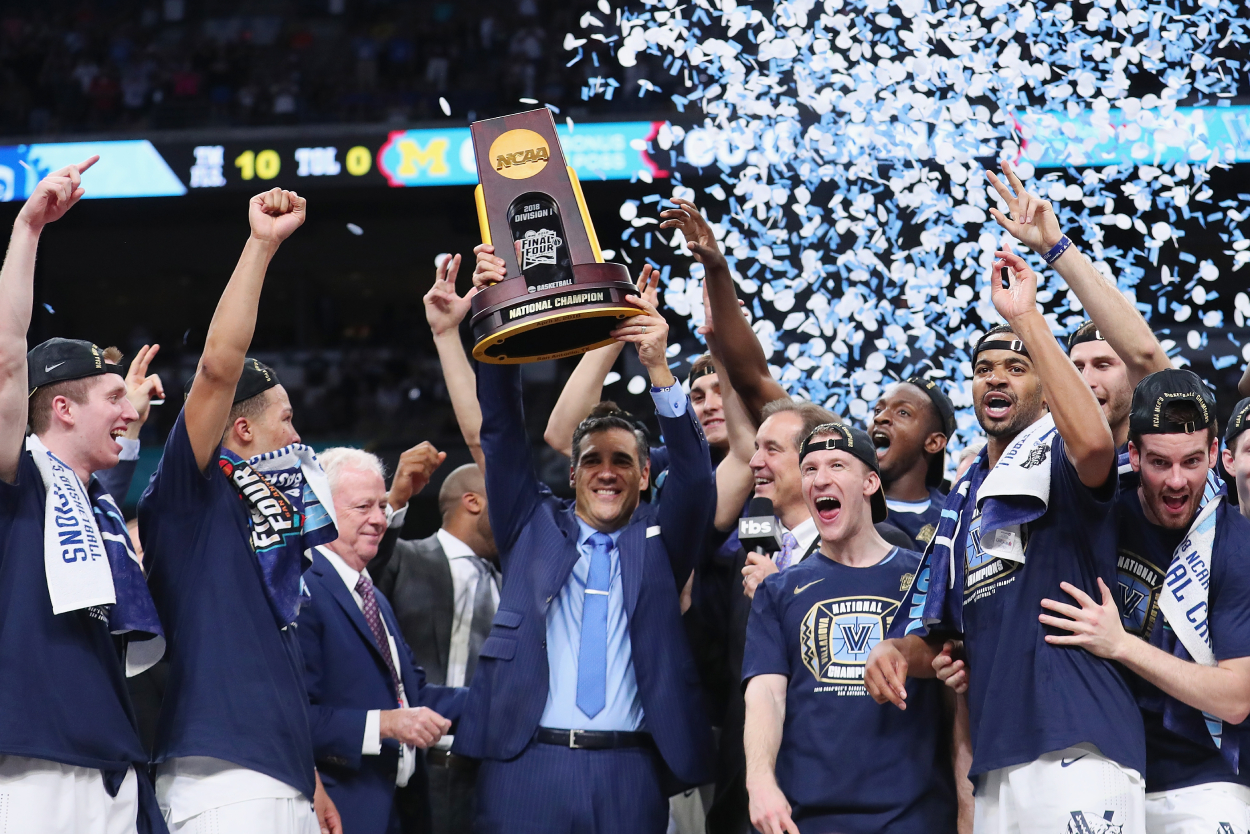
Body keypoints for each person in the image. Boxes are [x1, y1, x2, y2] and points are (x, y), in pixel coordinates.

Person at [865, 247, 1146, 832]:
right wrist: (895, 652)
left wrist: (1028, 321)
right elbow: (946, 641)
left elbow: (1095, 445)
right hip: (998, 758)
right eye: (985, 368)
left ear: (1049, 391)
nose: (996, 376)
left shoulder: (1065, 466)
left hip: (1078, 743)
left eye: (1017, 368)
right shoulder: (967, 496)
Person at [454, 281, 716, 833]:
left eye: (622, 461)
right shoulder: (531, 523)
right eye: (592, 460)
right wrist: (495, 315)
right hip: (526, 765)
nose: (605, 471)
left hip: (631, 769)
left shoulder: (662, 541)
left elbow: (695, 477)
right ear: (571, 473)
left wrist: (659, 370)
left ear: (645, 477)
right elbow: (500, 432)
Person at [138, 188, 342, 834]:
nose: (298, 432)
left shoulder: (275, 516)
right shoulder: (189, 495)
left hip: (280, 777)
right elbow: (219, 369)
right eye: (286, 418)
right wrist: (261, 245)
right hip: (220, 783)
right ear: (243, 432)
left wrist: (306, 778)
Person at [0, 156, 168, 834]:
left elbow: (116, 465)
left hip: (115, 761)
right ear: (62, 408)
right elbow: (10, 358)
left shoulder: (94, 499)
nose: (128, 408)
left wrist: (124, 419)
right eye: (111, 398)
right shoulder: (17, 478)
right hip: (34, 760)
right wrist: (28, 229)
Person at [1037, 371, 1250, 831]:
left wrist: (1121, 644)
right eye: (1159, 463)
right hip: (1096, 763)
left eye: (1193, 461)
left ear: (1215, 455)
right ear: (1132, 455)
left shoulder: (1236, 544)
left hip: (1201, 779)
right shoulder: (1099, 513)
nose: (1177, 481)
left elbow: (1236, 698)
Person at [744, 422, 956, 834]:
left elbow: (955, 695)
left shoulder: (925, 577)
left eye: (837, 465)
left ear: (870, 483)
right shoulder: (778, 590)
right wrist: (759, 780)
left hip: (913, 817)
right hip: (805, 820)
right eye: (809, 469)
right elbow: (765, 693)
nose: (820, 478)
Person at [298, 447, 466, 834]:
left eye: (381, 505)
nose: (379, 519)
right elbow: (293, 718)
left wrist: (504, 694)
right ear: (320, 508)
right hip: (339, 813)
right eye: (364, 507)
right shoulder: (303, 589)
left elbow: (415, 697)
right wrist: (386, 725)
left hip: (399, 811)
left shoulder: (371, 596)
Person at [372, 459, 499, 834]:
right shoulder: (404, 557)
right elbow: (362, 571)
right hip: (416, 768)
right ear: (472, 502)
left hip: (487, 773)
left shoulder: (510, 585)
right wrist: (393, 502)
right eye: (503, 500)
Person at [870, 378, 956, 546]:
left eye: (903, 412)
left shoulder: (952, 521)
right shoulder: (846, 503)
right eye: (878, 410)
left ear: (933, 443)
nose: (880, 418)